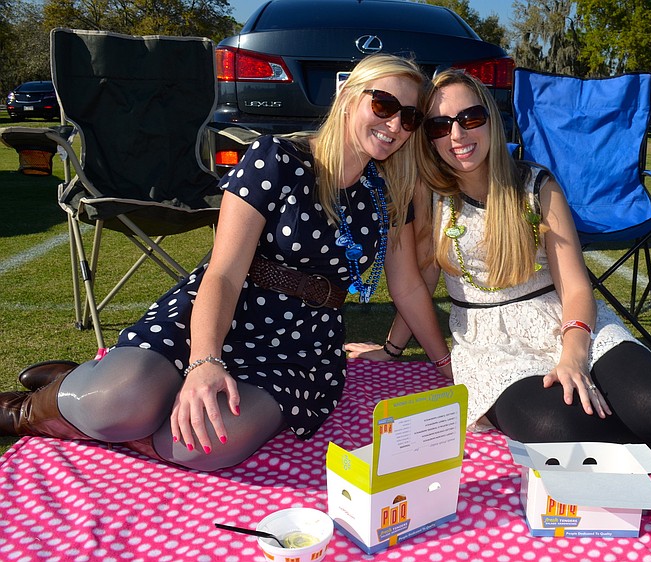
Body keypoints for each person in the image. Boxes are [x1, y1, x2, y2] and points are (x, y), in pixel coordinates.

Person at [0, 54, 450, 471]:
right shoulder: (276, 159)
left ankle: (124, 400)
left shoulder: (386, 192)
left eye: (409, 117)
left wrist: (445, 364)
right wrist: (204, 363)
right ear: (349, 97)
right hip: (225, 311)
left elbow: (407, 287)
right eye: (385, 104)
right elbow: (224, 272)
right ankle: (31, 409)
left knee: (199, 445)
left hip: (301, 347)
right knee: (118, 402)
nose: (395, 124)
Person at [346, 69, 651, 446]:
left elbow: (574, 286)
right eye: (440, 126)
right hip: (488, 343)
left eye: (469, 118)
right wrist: (391, 347)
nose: (456, 135)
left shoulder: (535, 184)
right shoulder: (429, 195)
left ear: (492, 121)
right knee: (556, 427)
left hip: (560, 316)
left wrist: (573, 355)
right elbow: (416, 280)